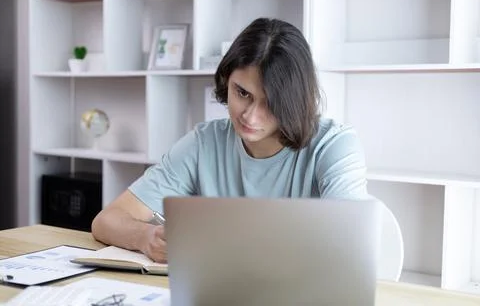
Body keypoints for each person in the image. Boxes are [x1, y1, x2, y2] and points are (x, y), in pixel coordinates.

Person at [91, 17, 371, 263]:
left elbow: (348, 245)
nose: (250, 116)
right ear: (227, 80)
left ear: (293, 102)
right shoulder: (204, 143)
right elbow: (106, 221)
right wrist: (146, 236)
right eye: (243, 93)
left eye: (270, 103)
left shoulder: (334, 146)